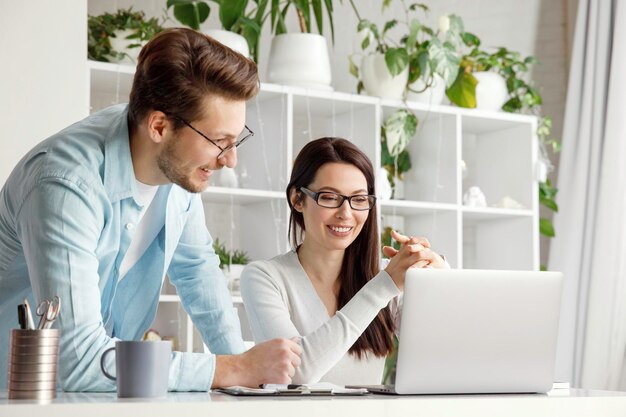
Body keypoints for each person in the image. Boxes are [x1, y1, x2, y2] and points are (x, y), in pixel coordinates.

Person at [0, 28, 301, 392]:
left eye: (236, 141)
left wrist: (252, 379)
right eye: (219, 142)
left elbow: (197, 272)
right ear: (159, 125)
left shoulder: (177, 168)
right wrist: (232, 369)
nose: (231, 160)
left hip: (102, 393)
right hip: (17, 398)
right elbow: (78, 360)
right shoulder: (65, 184)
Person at [240, 137, 447, 385]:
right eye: (329, 197)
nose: (345, 214)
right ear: (297, 199)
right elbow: (296, 374)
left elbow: (443, 356)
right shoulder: (264, 277)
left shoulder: (386, 277)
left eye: (359, 199)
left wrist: (439, 282)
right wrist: (384, 286)